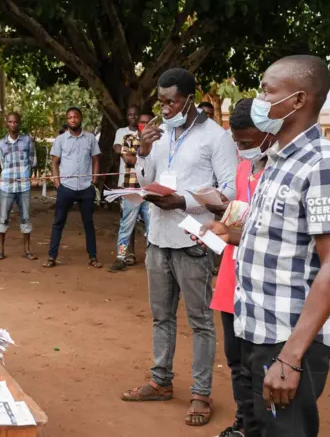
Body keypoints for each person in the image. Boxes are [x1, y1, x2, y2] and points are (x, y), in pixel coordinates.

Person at [197, 55, 330, 437]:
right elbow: (280, 237)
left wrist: (291, 356)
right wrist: (229, 234)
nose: (260, 100)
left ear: (298, 100)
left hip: (287, 339)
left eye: (267, 91)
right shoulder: (275, 162)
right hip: (255, 327)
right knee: (257, 428)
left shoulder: (323, 164)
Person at [120, 67, 238, 427]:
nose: (165, 108)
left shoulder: (216, 137)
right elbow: (146, 180)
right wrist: (143, 151)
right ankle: (160, 381)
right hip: (158, 238)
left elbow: (229, 190)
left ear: (189, 100)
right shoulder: (160, 134)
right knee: (162, 316)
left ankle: (201, 393)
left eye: (171, 102)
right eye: (161, 102)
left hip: (193, 240)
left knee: (200, 321)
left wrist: (184, 201)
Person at [204, 98, 273, 437]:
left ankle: (260, 426)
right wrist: (222, 217)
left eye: (246, 141)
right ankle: (243, 423)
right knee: (235, 359)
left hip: (262, 279)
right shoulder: (245, 168)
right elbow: (240, 212)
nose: (241, 148)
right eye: (237, 141)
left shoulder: (279, 173)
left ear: (268, 133)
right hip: (233, 273)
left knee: (258, 362)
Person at [43, 107, 101, 268]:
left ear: (80, 118)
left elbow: (96, 160)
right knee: (58, 222)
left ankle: (93, 257)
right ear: (67, 120)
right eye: (70, 117)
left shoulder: (90, 138)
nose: (73, 120)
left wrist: (94, 181)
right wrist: (57, 184)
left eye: (75, 117)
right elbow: (54, 162)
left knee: (88, 223)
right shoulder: (60, 140)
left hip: (86, 188)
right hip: (66, 188)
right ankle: (52, 257)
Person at [109, 110, 152, 272]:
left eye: (148, 122)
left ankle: (152, 259)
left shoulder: (159, 142)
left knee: (152, 227)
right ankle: (121, 257)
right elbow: (128, 159)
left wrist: (139, 160)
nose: (144, 125)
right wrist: (147, 163)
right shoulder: (129, 138)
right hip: (131, 188)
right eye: (142, 122)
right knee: (126, 225)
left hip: (150, 191)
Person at [0, 112, 37, 260]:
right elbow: (2, 164)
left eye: (16, 122)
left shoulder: (27, 141)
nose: (13, 124)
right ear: (7, 123)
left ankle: (27, 250)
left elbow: (33, 161)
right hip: (6, 186)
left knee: (26, 217)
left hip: (24, 186)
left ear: (19, 123)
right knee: (2, 218)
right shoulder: (1, 143)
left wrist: (24, 173)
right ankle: (0, 251)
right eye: (10, 122)